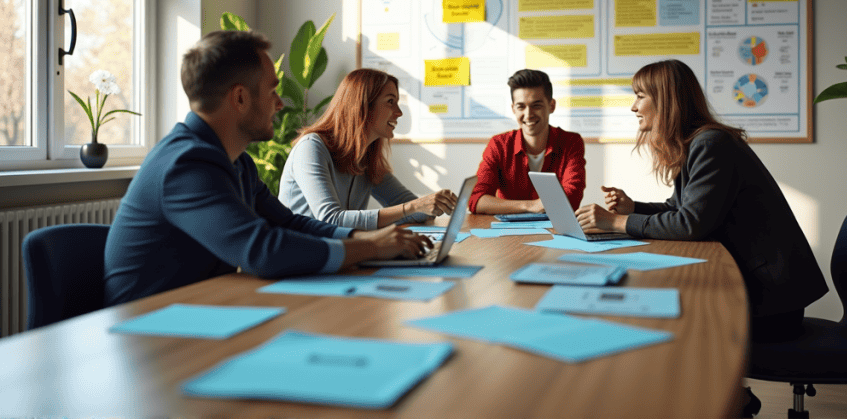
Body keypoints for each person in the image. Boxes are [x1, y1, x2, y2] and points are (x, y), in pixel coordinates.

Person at [573, 59, 827, 417]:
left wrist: (616, 222)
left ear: (666, 101)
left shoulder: (712, 144)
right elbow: (681, 209)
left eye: (639, 96)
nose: (633, 106)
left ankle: (714, 402)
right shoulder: (700, 143)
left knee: (668, 317)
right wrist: (633, 207)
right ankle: (726, 400)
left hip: (772, 305)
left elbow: (690, 223)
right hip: (763, 289)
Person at [104, 31, 431, 307]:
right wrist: (372, 247)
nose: (279, 103)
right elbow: (261, 250)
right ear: (241, 98)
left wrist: (367, 238)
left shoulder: (237, 161)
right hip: (150, 327)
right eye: (273, 90)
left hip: (198, 308)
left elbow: (289, 223)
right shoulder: (186, 164)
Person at [278, 68, 458, 229]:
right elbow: (331, 220)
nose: (399, 112)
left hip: (339, 253)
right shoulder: (311, 147)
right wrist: (414, 207)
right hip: (301, 259)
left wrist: (433, 204)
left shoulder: (366, 156)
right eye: (390, 102)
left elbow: (411, 208)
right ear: (363, 106)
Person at [469, 69, 586, 214]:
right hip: (508, 234)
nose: (528, 114)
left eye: (536, 105)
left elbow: (571, 199)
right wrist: (530, 206)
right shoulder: (499, 145)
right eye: (521, 106)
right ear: (513, 109)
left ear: (551, 106)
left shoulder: (571, 142)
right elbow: (476, 200)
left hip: (556, 230)